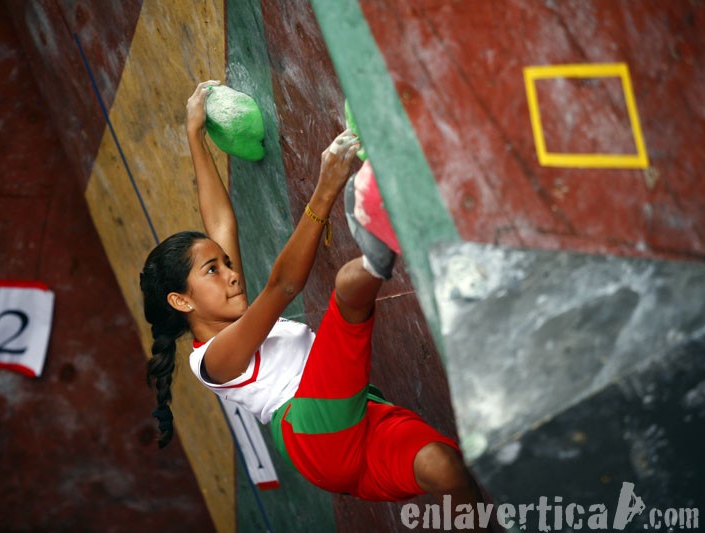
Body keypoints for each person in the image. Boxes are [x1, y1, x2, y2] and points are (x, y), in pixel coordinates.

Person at [140, 80, 484, 515]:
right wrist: (326, 189)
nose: (232, 275)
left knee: (444, 467)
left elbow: (221, 220)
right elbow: (282, 287)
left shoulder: (228, 308)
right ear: (181, 302)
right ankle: (384, 226)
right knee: (348, 294)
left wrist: (194, 135)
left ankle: (381, 238)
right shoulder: (211, 361)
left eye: (226, 263)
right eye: (214, 270)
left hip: (356, 424)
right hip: (312, 432)